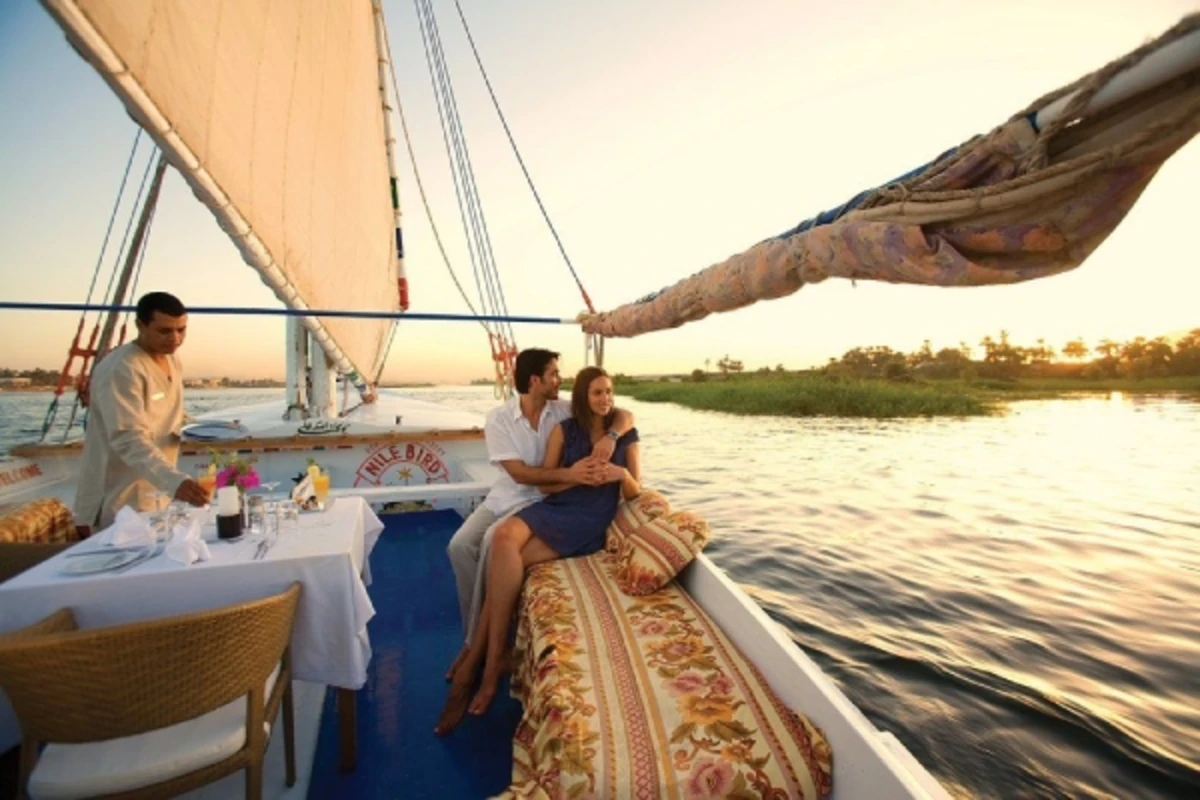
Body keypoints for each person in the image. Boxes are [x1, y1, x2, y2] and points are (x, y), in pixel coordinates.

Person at [436, 366, 640, 734]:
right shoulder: (564, 429)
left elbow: (636, 489)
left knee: (504, 571)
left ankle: (478, 666)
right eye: (597, 393)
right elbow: (546, 486)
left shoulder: (624, 432)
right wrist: (575, 475)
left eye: (609, 391)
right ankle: (493, 657)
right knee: (502, 541)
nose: (605, 399)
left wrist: (621, 476)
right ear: (582, 397)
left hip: (588, 519)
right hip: (558, 505)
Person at [73, 292, 210, 531]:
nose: (175, 339)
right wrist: (176, 482)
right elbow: (127, 438)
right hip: (118, 500)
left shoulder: (173, 361)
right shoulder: (122, 369)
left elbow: (167, 413)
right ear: (140, 325)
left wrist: (205, 430)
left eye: (181, 330)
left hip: (156, 495)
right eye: (165, 331)